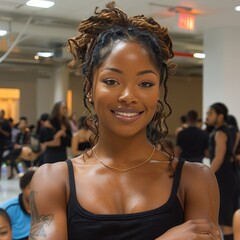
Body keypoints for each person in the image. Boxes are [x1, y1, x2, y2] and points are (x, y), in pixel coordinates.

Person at [29, 2, 220, 239]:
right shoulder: (53, 180)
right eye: (111, 81)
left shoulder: (195, 180)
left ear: (158, 91)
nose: (128, 96)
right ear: (89, 87)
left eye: (145, 84)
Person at [206, 102, 237, 240]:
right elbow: (232, 154)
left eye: (210, 113)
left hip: (222, 177)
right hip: (232, 174)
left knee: (225, 218)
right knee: (229, 214)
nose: (207, 116)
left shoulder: (219, 133)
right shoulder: (232, 130)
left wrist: (206, 175)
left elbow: (219, 158)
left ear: (220, 116)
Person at [0, 170, 35, 240]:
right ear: (22, 188)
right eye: (31, 188)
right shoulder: (7, 209)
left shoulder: (48, 208)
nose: (36, 192)